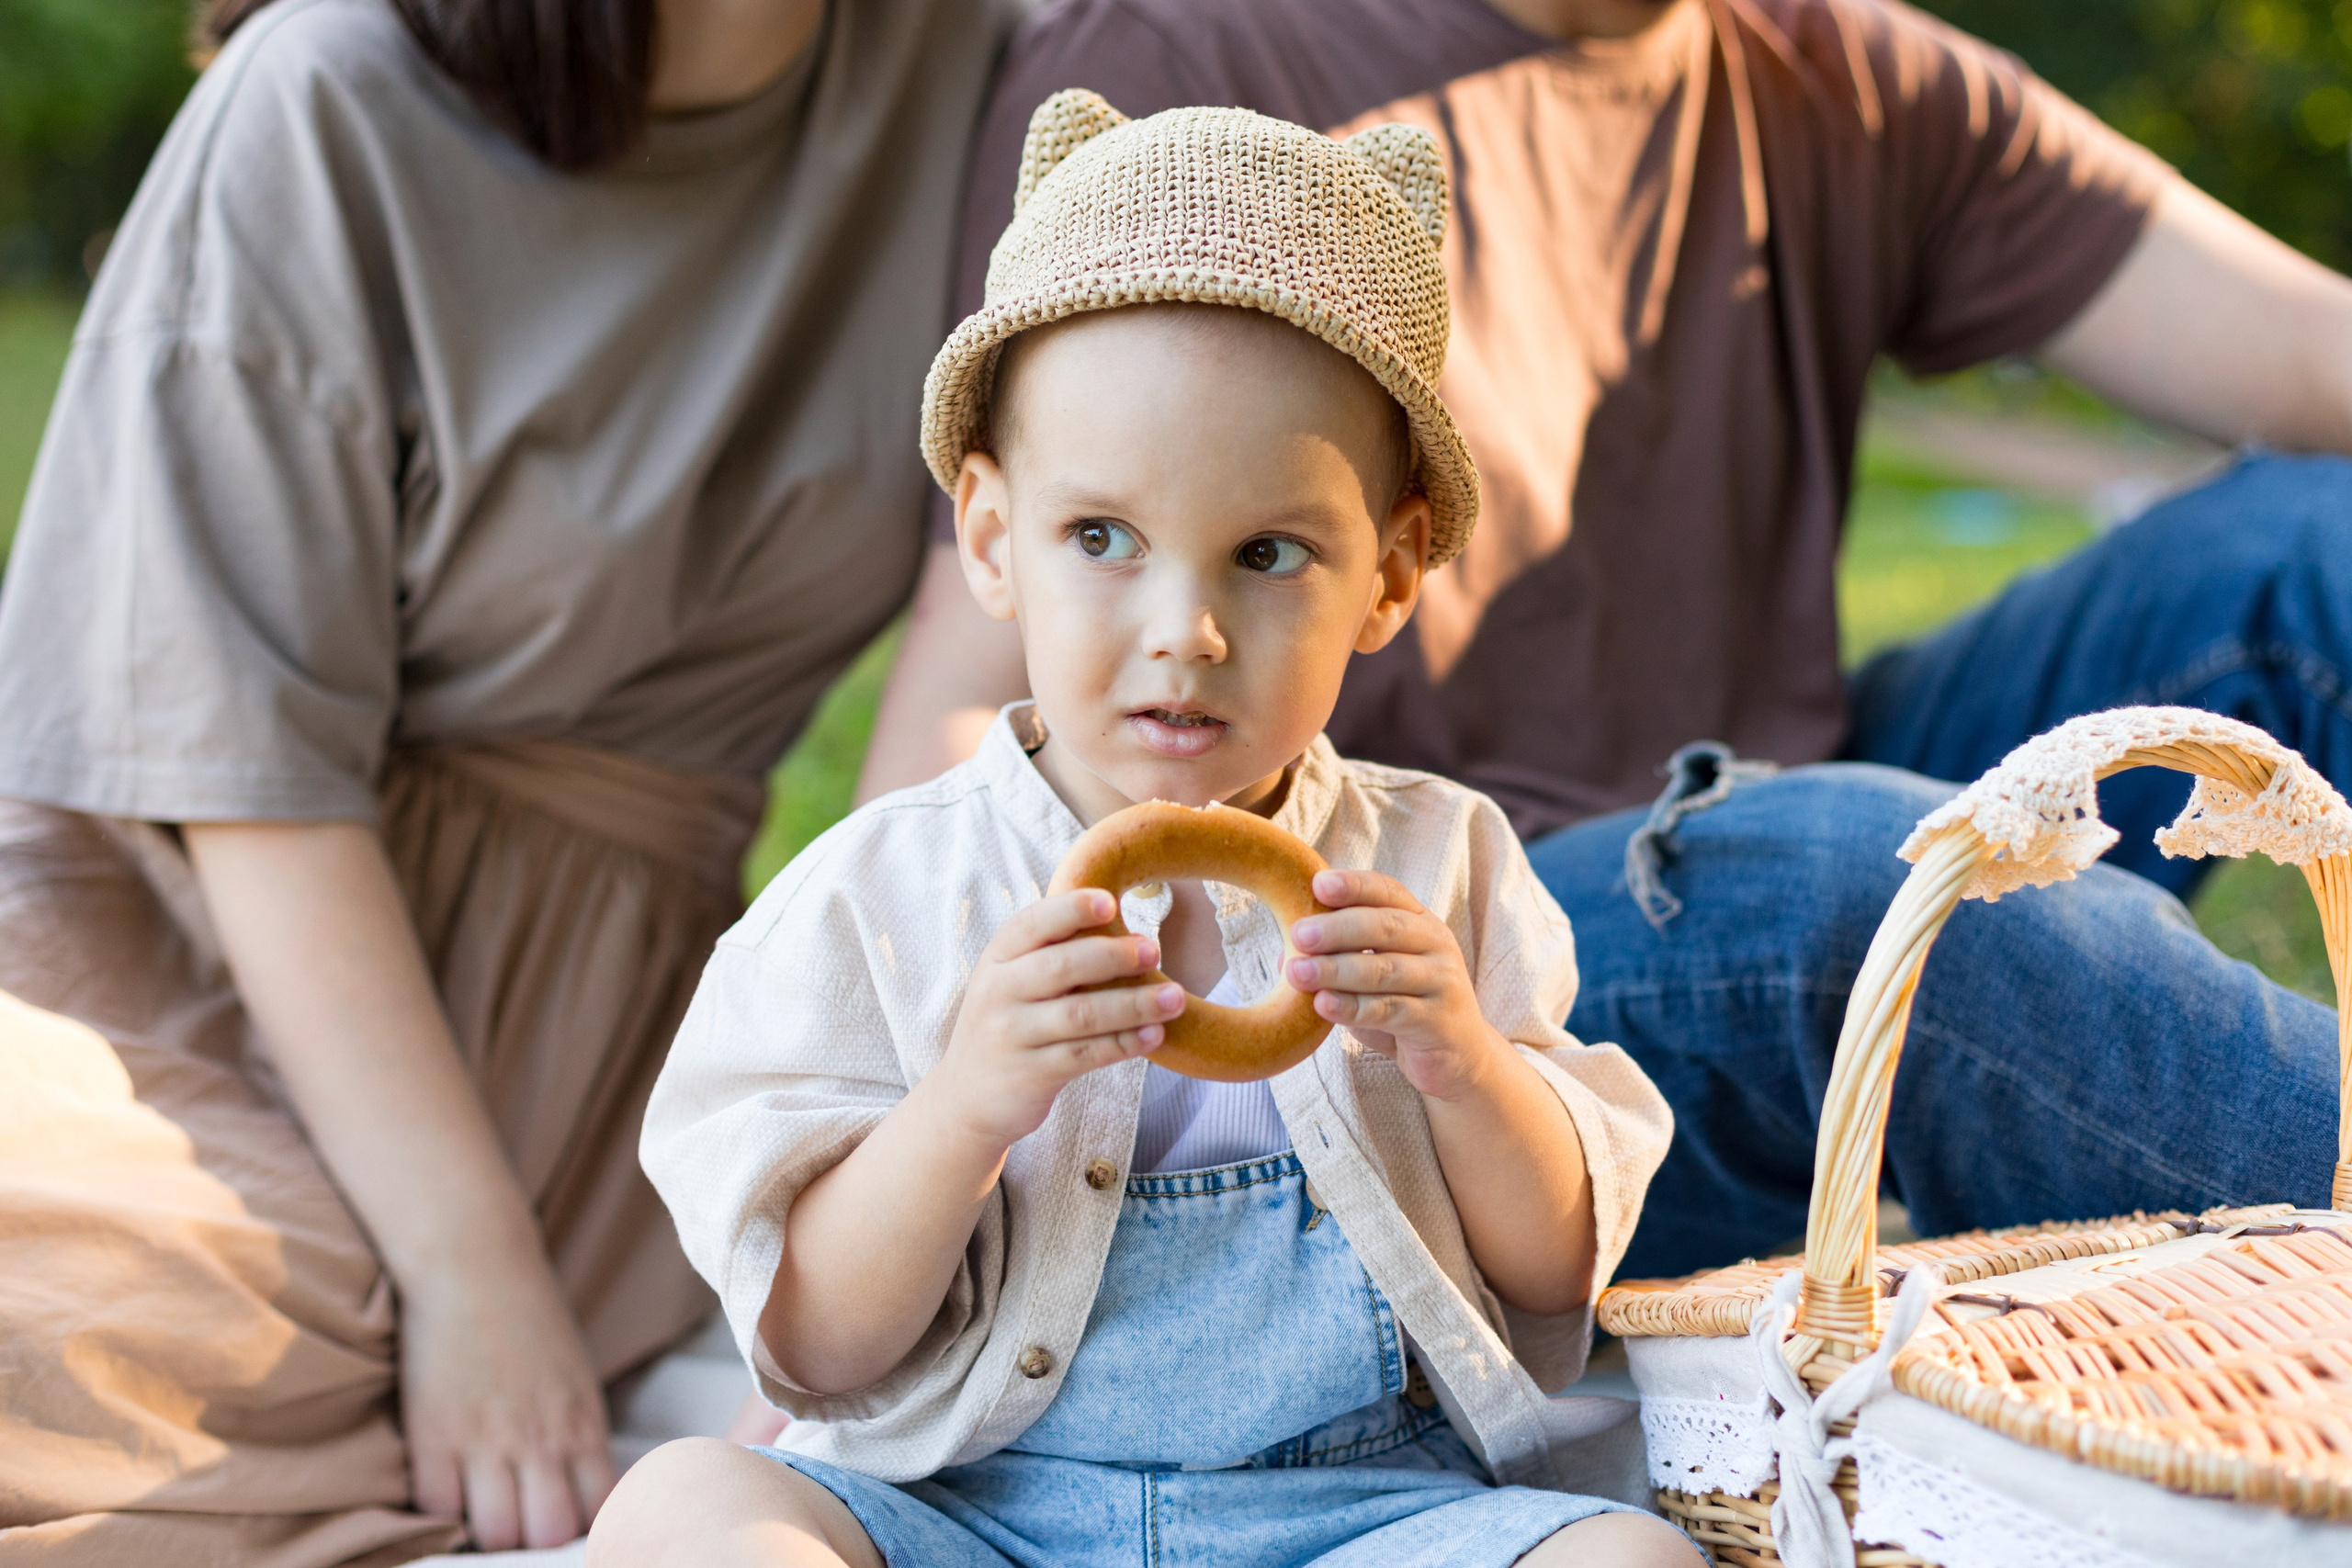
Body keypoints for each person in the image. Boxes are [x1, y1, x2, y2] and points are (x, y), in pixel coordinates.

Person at [858, 0, 2352, 1282]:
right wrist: (925, 1128)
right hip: (1452, 967)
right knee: (1844, 881)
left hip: (1782, 793)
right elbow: (978, 668)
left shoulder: (1843, 74)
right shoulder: (1190, 56)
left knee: (2317, 546)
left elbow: (2301, 350)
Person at [596, 95, 1691, 1567]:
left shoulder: (1441, 867)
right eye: (1100, 537)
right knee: (684, 1509)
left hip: (1351, 1512)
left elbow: (1557, 1274)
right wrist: (968, 1105)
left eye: (1268, 554)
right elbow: (818, 1352)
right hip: (964, 1507)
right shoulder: (879, 896)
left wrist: (1465, 1070)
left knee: (1627, 1561)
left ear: (1391, 575)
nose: (1184, 633)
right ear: (992, 540)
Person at [0, 0, 1012, 1561]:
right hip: (205, 957)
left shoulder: (986, 62)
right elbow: (244, 771)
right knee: (62, 1307)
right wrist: (468, 1272)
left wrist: (868, 1114)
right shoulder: (331, 92)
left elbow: (974, 646)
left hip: (600, 1038)